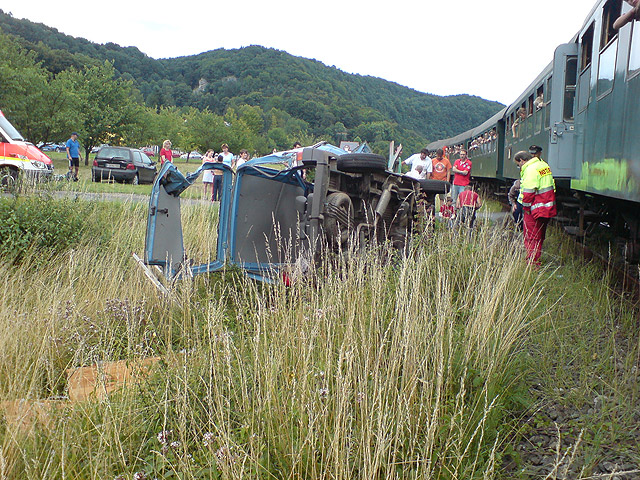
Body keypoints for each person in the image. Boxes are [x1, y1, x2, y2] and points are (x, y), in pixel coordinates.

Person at [514, 150, 557, 267]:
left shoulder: (530, 169)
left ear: (522, 160)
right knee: (540, 235)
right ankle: (536, 258)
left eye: (518, 165)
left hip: (534, 209)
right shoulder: (543, 165)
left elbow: (528, 192)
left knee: (531, 237)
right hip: (547, 207)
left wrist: (526, 208)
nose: (519, 167)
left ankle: (532, 262)